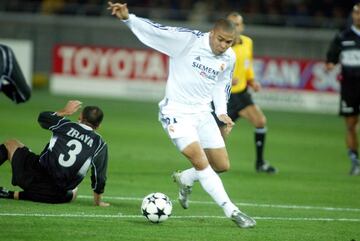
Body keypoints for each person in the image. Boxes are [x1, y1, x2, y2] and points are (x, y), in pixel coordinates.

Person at [108, 2, 256, 228]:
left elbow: (221, 85)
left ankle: (185, 178)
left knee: (222, 165)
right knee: (201, 161)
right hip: (176, 112)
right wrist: (129, 18)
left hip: (203, 114)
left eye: (229, 42)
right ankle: (232, 211)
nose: (224, 46)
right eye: (221, 40)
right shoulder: (188, 41)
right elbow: (156, 31)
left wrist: (222, 113)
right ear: (212, 33)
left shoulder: (229, 58)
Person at [0, 100, 110, 206]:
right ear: (98, 126)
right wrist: (98, 202)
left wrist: (64, 111)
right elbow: (99, 178)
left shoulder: (64, 125)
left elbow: (42, 117)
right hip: (59, 195)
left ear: (79, 117)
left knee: (11, 144)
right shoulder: (100, 144)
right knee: (74, 191)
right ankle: (11, 194)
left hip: (33, 179)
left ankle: (15, 193)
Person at [214, 12, 277, 174]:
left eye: (237, 24)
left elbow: (247, 65)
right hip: (226, 97)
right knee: (219, 138)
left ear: (242, 27)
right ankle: (206, 167)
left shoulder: (248, 42)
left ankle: (260, 163)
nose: (234, 27)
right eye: (231, 23)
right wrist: (227, 80)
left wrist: (252, 81)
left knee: (260, 121)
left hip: (242, 93)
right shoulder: (222, 46)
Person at [325, 3, 360, 176]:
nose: (357, 16)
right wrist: (330, 65)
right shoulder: (343, 36)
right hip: (349, 88)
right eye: (355, 12)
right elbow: (331, 58)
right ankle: (355, 161)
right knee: (351, 125)